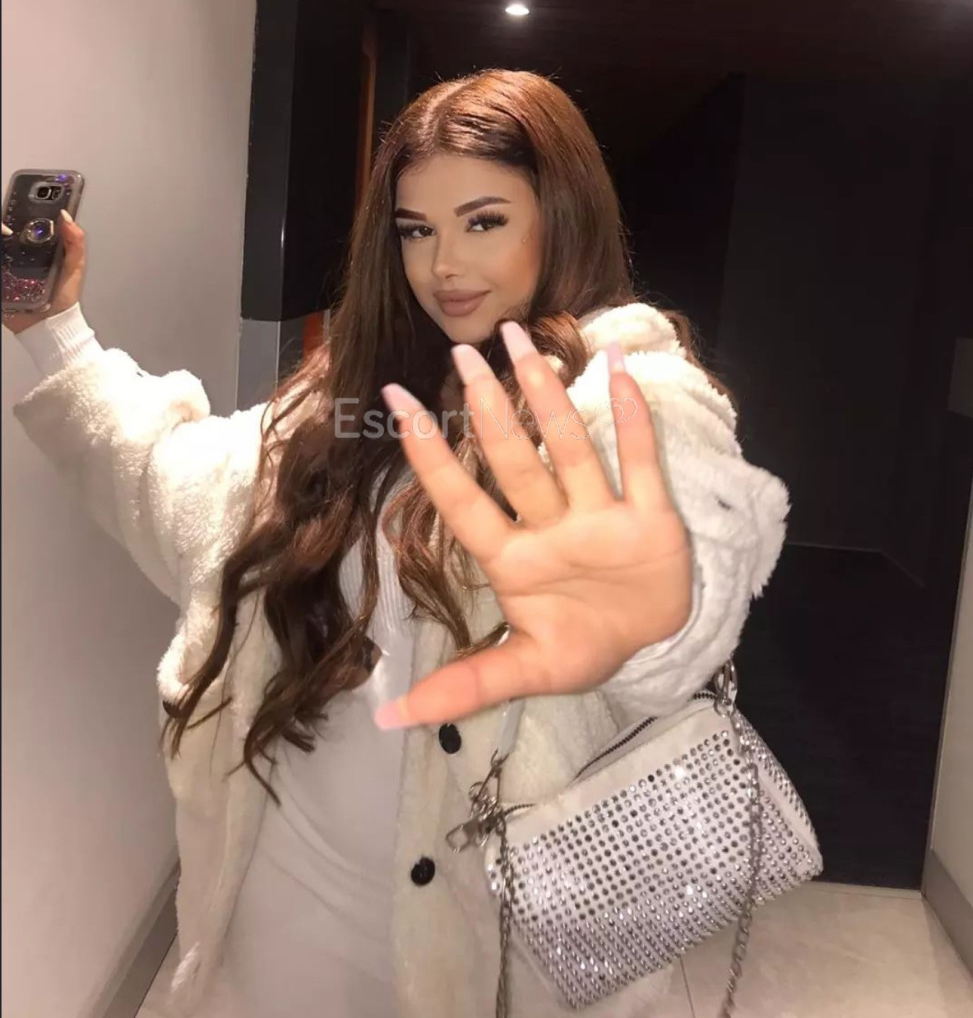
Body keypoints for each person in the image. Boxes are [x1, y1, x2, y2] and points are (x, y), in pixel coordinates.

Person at [4, 70, 789, 1018]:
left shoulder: (627, 402)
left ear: (562, 216)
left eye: (483, 221)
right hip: (279, 918)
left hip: (495, 949)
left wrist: (652, 619)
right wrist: (55, 334)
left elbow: (687, 587)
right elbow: (172, 483)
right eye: (415, 230)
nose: (443, 264)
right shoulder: (342, 409)